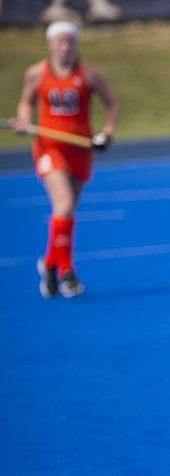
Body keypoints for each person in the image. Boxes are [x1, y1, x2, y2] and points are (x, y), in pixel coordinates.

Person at [11, 20, 118, 298]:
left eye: (69, 42)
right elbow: (26, 101)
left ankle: (49, 263)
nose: (65, 47)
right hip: (49, 147)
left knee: (66, 212)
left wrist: (106, 132)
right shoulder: (36, 73)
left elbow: (112, 104)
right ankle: (67, 273)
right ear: (50, 44)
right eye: (60, 42)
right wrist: (24, 120)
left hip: (80, 149)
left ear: (76, 44)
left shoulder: (90, 74)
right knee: (65, 204)